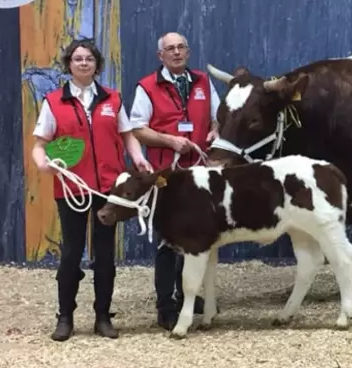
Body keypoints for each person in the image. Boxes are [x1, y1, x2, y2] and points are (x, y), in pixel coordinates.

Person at [31, 38, 152, 342]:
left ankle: (102, 316)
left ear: (97, 64)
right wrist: (43, 164)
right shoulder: (54, 101)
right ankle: (65, 317)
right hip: (71, 188)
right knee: (71, 253)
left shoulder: (112, 99)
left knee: (105, 254)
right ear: (69, 64)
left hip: (108, 189)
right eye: (77, 59)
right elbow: (39, 145)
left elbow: (128, 136)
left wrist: (137, 157)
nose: (83, 63)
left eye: (89, 59)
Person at [129, 31, 220, 330]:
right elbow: (138, 129)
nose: (177, 53)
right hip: (166, 176)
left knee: (195, 238)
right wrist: (169, 140)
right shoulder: (146, 86)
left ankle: (187, 298)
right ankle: (165, 306)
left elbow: (218, 117)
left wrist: (216, 130)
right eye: (170, 49)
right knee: (168, 243)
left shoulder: (204, 83)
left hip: (201, 176)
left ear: (188, 52)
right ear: (160, 56)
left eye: (181, 47)